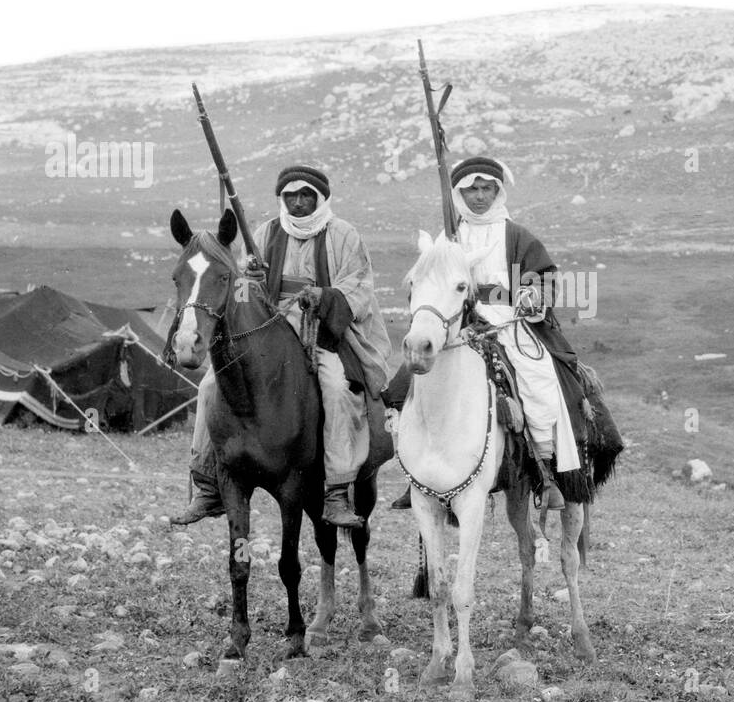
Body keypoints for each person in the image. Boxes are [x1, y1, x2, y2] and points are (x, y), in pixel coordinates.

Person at [170, 163, 391, 528]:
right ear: (282, 199)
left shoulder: (344, 235)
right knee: (211, 383)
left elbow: (360, 286)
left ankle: (336, 490)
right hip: (269, 331)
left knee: (336, 388)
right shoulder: (266, 232)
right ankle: (207, 483)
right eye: (291, 196)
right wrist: (252, 281)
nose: (299, 203)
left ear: (320, 198)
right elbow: (239, 291)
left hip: (322, 332)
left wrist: (323, 295)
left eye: (307, 195)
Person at [390, 155, 595, 511]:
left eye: (487, 189)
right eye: (472, 190)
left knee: (539, 375)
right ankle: (419, 474)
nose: (479, 196)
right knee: (408, 380)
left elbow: (543, 276)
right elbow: (429, 278)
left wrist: (532, 296)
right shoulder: (448, 236)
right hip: (460, 320)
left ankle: (545, 470)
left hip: (507, 318)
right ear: (459, 194)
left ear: (498, 192)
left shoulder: (516, 235)